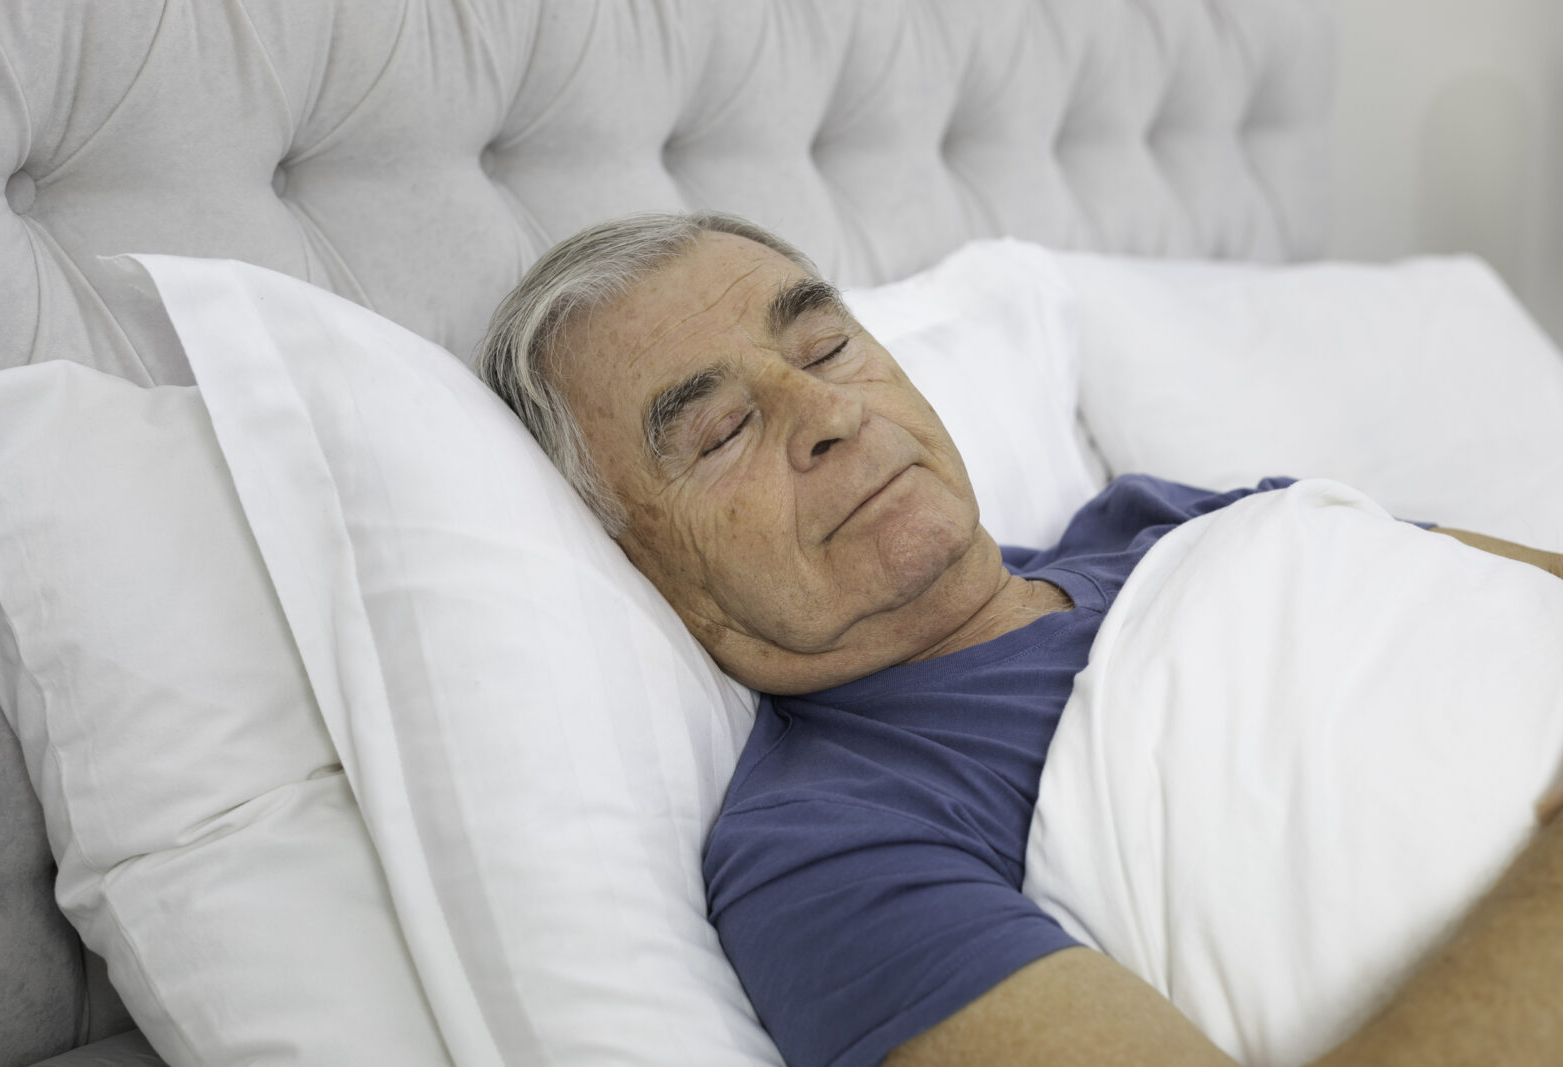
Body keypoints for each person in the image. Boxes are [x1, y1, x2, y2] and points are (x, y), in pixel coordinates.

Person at [477, 210, 1563, 1067]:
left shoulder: (1170, 526)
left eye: (824, 344)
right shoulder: (830, 851)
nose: (828, 411)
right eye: (719, 431)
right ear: (635, 558)